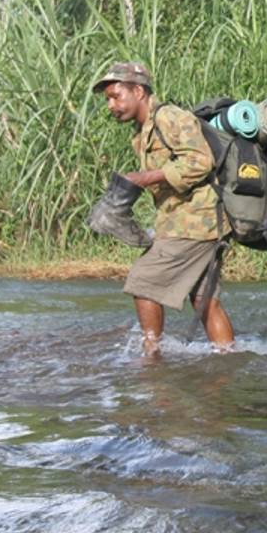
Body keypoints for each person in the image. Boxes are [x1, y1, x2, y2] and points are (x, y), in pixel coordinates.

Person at [93, 61, 236, 355]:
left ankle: (151, 356)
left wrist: (146, 177)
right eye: (108, 99)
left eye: (116, 96)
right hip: (191, 221)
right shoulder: (142, 132)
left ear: (139, 91)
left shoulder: (169, 117)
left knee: (143, 281)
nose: (111, 105)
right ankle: (229, 358)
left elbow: (200, 162)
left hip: (196, 221)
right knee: (204, 300)